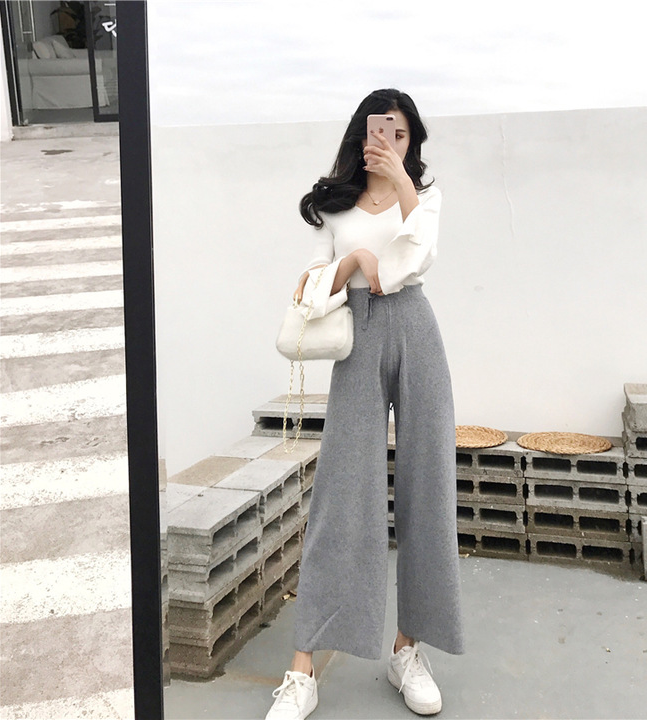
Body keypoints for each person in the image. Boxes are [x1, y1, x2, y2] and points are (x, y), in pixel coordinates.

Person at [266, 88, 465, 720]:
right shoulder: (332, 202)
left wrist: (401, 180)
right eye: (383, 131)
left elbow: (418, 254)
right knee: (342, 492)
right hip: (357, 338)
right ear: (362, 133)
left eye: (402, 135)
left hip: (416, 330)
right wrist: (353, 258)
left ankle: (408, 649)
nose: (390, 142)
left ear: (412, 141)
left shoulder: (424, 197)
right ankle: (303, 668)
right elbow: (312, 285)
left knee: (427, 485)